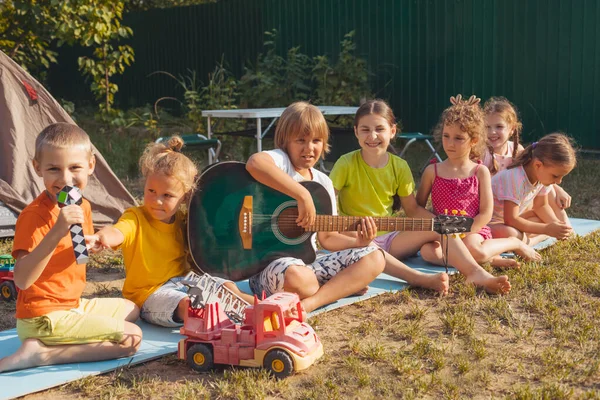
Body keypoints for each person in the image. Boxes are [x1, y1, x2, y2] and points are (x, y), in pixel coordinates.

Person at [329, 99, 511, 295]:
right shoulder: (345, 164)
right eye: (365, 129)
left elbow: (413, 210)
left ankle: (475, 273)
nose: (372, 136)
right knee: (370, 249)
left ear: (392, 131)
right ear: (355, 131)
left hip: (391, 238)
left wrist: (444, 226)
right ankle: (421, 279)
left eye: (379, 129)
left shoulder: (399, 166)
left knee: (440, 227)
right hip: (357, 238)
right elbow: (327, 202)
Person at [0, 123, 141, 373]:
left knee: (131, 308)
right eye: (53, 169)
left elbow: (78, 258)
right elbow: (21, 280)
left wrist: (90, 244)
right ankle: (41, 354)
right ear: (37, 168)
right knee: (132, 338)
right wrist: (57, 230)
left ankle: (64, 333)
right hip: (40, 316)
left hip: (70, 303)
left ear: (90, 165)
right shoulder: (33, 216)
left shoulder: (80, 204)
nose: (65, 179)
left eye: (75, 167)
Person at [90, 136, 253, 327]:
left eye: (167, 195)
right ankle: (229, 328)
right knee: (191, 305)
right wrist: (102, 237)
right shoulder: (135, 217)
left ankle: (257, 309)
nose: (156, 201)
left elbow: (214, 236)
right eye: (151, 191)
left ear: (184, 197)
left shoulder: (185, 220)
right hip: (150, 294)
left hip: (186, 282)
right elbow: (119, 231)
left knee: (225, 286)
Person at [245, 102, 387, 314]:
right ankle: (339, 287)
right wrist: (302, 195)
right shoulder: (281, 161)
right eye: (300, 140)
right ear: (285, 141)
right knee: (299, 279)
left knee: (376, 257)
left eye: (316, 141)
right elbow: (255, 163)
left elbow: (328, 238)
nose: (309, 148)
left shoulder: (323, 182)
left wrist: (358, 241)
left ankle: (310, 303)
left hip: (310, 263)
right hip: (269, 266)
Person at [416, 97, 542, 269]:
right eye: (446, 136)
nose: (450, 144)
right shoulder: (432, 171)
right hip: (442, 233)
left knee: (476, 250)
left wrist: (467, 230)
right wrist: (441, 228)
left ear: (474, 140)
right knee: (427, 253)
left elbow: (485, 213)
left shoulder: (479, 171)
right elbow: (418, 208)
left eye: (458, 138)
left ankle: (513, 243)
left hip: (473, 230)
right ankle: (492, 259)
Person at [482, 97, 572, 223]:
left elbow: (539, 173)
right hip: (494, 209)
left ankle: (567, 229)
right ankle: (542, 233)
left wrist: (558, 189)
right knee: (532, 226)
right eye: (487, 127)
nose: (492, 132)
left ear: (512, 129)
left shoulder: (516, 149)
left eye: (499, 126)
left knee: (548, 187)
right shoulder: (481, 153)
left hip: (516, 204)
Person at [489, 133, 576, 246]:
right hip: (490, 223)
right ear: (538, 165)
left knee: (540, 219)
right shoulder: (515, 178)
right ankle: (530, 242)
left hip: (508, 221)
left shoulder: (541, 177)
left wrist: (556, 226)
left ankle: (522, 240)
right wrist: (546, 229)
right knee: (512, 233)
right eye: (555, 176)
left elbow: (541, 206)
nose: (559, 182)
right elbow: (510, 219)